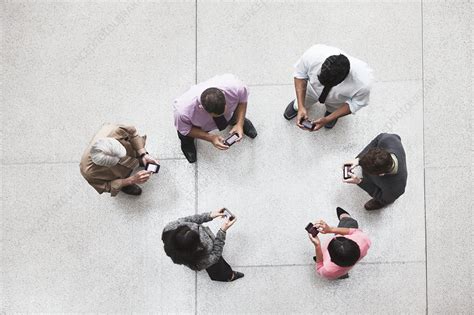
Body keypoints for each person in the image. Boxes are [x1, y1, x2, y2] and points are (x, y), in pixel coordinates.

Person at [284, 44, 373, 130]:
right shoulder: (313, 54)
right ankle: (298, 106)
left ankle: (331, 113)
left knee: (334, 109)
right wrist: (301, 106)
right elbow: (300, 75)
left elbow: (356, 103)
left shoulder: (363, 83)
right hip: (311, 90)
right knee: (304, 101)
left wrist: (328, 119)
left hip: (337, 100)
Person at [173, 74, 258, 163]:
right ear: (202, 108)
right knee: (184, 135)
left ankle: (238, 121)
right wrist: (210, 137)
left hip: (230, 113)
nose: (221, 115)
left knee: (233, 117)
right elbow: (185, 129)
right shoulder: (182, 111)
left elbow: (242, 101)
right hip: (197, 124)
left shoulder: (236, 87)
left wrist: (239, 123)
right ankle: (187, 144)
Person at [162, 209, 244, 282]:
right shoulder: (202, 258)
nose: (196, 226)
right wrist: (222, 231)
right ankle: (229, 276)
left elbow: (189, 219)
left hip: (187, 256)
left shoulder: (170, 228)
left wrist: (210, 215)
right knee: (217, 268)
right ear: (196, 245)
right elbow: (215, 255)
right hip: (207, 259)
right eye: (197, 234)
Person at [80, 124, 159, 196]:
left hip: (129, 151)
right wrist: (131, 180)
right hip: (116, 175)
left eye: (123, 157)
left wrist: (143, 154)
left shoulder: (116, 130)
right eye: (118, 161)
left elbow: (133, 134)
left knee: (135, 153)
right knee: (120, 182)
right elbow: (106, 186)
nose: (123, 160)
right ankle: (125, 184)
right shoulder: (89, 172)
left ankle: (138, 159)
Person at [343, 133, 408, 210]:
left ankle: (380, 204)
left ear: (381, 174)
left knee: (384, 200)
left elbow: (384, 198)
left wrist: (360, 182)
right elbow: (379, 138)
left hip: (386, 196)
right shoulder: (389, 140)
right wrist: (358, 160)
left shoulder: (395, 188)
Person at [308, 207, 371, 280]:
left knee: (336, 272)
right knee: (352, 223)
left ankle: (342, 275)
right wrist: (330, 229)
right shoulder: (364, 240)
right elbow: (354, 231)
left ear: (331, 258)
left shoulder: (328, 270)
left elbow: (319, 267)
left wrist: (317, 246)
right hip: (344, 265)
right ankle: (342, 274)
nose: (337, 236)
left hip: (334, 270)